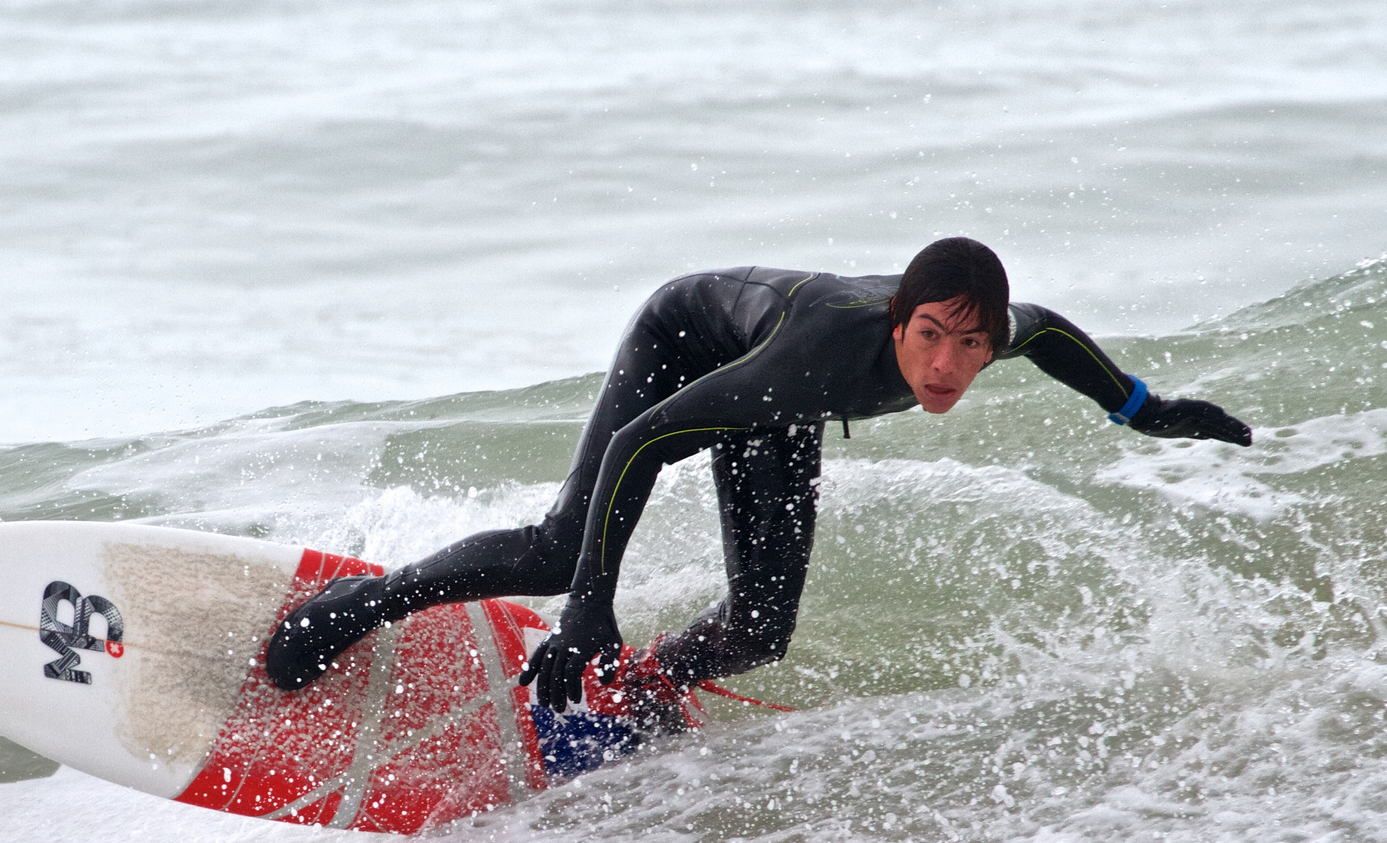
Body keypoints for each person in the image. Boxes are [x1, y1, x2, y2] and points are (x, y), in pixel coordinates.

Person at [265, 237, 1251, 720]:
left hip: (776, 399)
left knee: (760, 628)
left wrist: (1143, 410)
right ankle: (362, 603)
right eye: (930, 338)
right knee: (565, 553)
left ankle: (636, 687)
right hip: (688, 342)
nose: (948, 364)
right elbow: (636, 446)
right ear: (899, 319)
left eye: (972, 346)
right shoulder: (819, 359)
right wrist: (588, 609)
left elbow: (1053, 335)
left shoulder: (1001, 334)